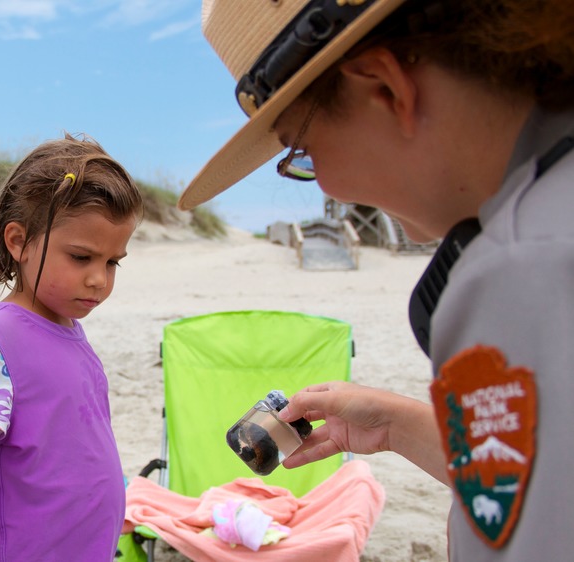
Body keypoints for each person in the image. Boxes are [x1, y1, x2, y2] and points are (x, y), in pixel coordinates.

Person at [180, 0, 574, 559]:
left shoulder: (523, 269)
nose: (325, 189)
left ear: (386, 89)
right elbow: (548, 480)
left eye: (304, 151)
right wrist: (398, 425)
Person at [0, 133, 143, 561]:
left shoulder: (70, 331)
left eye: (112, 262)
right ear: (18, 241)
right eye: (81, 257)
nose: (99, 278)